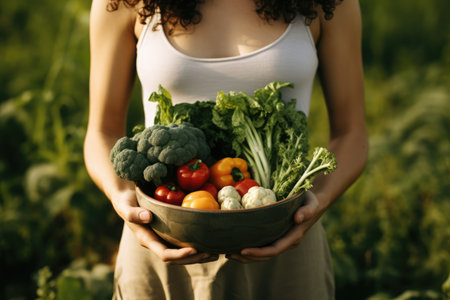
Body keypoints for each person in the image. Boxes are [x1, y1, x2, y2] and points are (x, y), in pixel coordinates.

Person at [84, 0, 368, 299]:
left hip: (285, 240)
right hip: (161, 236)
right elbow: (101, 132)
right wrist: (122, 198)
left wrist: (315, 205)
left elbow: (352, 134)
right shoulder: (123, 3)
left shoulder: (329, 3)